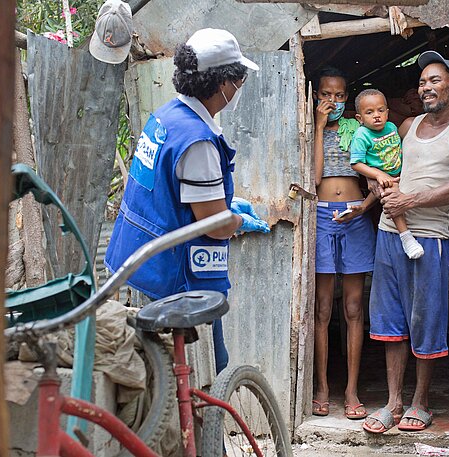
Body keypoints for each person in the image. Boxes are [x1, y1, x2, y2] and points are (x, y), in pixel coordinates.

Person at [104, 28, 270, 376]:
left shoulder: (166, 116)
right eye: (238, 79)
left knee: (156, 373)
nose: (239, 87)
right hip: (174, 279)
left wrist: (224, 201)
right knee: (204, 371)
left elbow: (166, 190)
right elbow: (213, 225)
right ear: (223, 84)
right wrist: (236, 220)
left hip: (139, 263)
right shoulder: (198, 141)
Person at [362, 51, 449, 434]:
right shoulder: (406, 125)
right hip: (390, 233)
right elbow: (389, 168)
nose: (426, 87)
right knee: (391, 318)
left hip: (430, 236)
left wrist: (412, 200)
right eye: (423, 81)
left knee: (426, 319)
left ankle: (420, 401)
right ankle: (393, 402)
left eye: (435, 80)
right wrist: (378, 182)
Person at [311, 67, 377, 420]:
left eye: (339, 95)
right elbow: (316, 176)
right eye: (326, 94)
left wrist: (363, 208)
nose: (332, 101)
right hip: (321, 216)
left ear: (347, 98)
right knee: (322, 309)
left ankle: (351, 390)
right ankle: (321, 386)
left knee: (353, 309)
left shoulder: (361, 130)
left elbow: (379, 177)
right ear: (316, 96)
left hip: (356, 217)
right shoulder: (309, 130)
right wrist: (320, 128)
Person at [350, 89, 423, 259]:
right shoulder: (362, 135)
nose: (377, 115)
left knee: (383, 196)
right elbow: (356, 163)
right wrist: (376, 175)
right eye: (369, 112)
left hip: (400, 173)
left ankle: (361, 208)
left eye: (381, 110)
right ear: (360, 118)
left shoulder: (390, 127)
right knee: (390, 199)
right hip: (383, 178)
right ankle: (406, 238)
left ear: (387, 113)